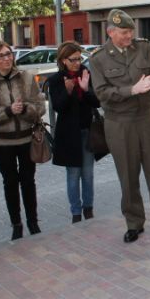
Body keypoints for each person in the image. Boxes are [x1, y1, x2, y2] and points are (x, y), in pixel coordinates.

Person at [90, 9, 150, 243]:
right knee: (128, 176)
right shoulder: (98, 58)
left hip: (146, 118)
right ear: (111, 32)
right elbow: (102, 93)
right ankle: (134, 223)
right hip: (119, 123)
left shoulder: (144, 48)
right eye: (124, 32)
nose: (129, 36)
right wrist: (131, 90)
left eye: (131, 31)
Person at [0, 41, 46, 241]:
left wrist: (25, 110)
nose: (6, 58)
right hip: (1, 143)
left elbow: (40, 106)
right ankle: (16, 224)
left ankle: (33, 222)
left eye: (8, 54)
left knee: (28, 181)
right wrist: (7, 111)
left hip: (26, 139)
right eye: (1, 56)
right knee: (10, 183)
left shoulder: (26, 77)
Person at [47, 41, 102, 224]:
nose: (78, 63)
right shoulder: (56, 80)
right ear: (63, 60)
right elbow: (58, 107)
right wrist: (68, 91)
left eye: (79, 59)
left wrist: (85, 90)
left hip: (87, 132)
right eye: (73, 60)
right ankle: (76, 212)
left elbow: (97, 102)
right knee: (73, 175)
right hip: (68, 135)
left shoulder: (86, 74)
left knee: (88, 174)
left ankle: (88, 209)